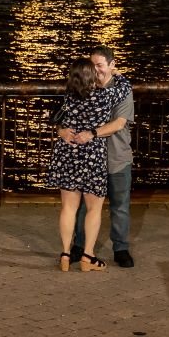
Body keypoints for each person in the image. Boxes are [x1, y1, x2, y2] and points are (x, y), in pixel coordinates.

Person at [64, 45, 135, 267]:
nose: (96, 70)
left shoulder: (121, 90)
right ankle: (81, 247)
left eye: (100, 65)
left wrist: (91, 133)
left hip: (115, 155)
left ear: (112, 65)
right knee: (85, 205)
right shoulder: (89, 86)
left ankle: (120, 248)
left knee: (119, 205)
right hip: (90, 156)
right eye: (92, 65)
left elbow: (119, 123)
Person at [50, 58, 113, 272]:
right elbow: (122, 87)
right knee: (94, 209)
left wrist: (61, 130)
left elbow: (57, 118)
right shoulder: (104, 96)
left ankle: (66, 255)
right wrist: (113, 72)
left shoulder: (68, 96)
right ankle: (88, 256)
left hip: (67, 152)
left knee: (68, 207)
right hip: (92, 153)